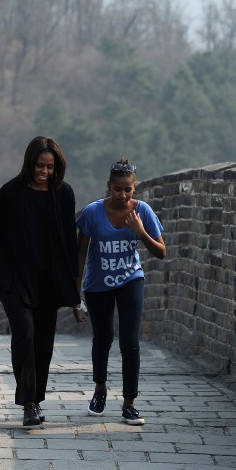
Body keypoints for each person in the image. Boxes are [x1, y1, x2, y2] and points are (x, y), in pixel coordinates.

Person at [0, 136, 80, 427]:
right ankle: (28, 403)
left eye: (50, 167)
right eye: (40, 165)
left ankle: (36, 399)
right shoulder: (9, 193)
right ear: (29, 163)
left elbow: (69, 244)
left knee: (44, 343)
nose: (45, 172)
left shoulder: (63, 195)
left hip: (48, 281)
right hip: (14, 277)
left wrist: (75, 293)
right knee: (24, 334)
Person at [74, 159, 166, 425]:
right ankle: (100, 390)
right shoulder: (92, 213)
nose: (122, 195)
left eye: (128, 189)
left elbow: (161, 252)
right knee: (103, 339)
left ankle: (129, 403)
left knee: (130, 342)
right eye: (117, 189)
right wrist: (75, 295)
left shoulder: (143, 212)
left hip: (130, 280)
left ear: (134, 188)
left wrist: (140, 232)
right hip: (97, 284)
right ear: (109, 186)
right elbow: (80, 255)